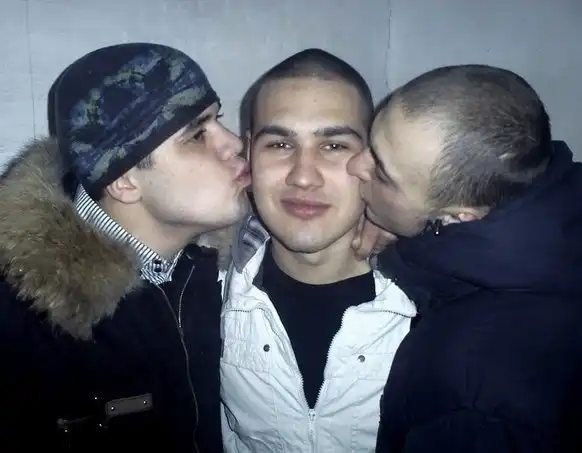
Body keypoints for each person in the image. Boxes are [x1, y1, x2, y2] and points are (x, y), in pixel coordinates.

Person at [0, 42, 250, 453]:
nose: (234, 143)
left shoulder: (231, 267)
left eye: (217, 119)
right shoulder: (20, 318)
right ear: (124, 181)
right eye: (196, 134)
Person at [348, 64, 582, 452]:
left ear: (459, 218)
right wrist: (406, 234)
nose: (355, 165)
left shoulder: (471, 384)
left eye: (381, 174)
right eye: (371, 141)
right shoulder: (574, 228)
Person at [219, 48, 416, 453]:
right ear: (249, 154)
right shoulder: (205, 290)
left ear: (372, 160)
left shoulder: (433, 297)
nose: (304, 177)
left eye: (334, 146)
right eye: (280, 144)